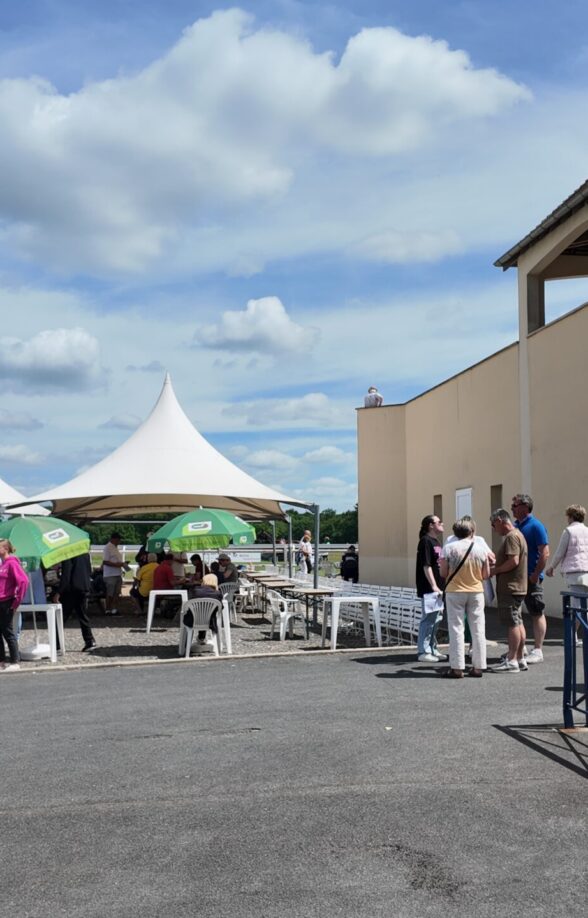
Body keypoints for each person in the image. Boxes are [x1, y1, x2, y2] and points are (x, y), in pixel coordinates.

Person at [440, 519, 490, 678]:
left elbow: (443, 573)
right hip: (476, 591)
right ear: (472, 531)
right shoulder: (481, 549)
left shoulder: (448, 548)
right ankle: (479, 667)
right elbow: (486, 574)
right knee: (478, 628)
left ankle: (457, 667)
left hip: (455, 591)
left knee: (456, 629)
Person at [511, 494, 549, 664]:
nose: (512, 508)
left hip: (531, 578)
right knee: (516, 612)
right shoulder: (516, 526)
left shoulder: (536, 526)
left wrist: (536, 574)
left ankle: (538, 649)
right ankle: (521, 647)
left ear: (525, 507)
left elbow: (544, 552)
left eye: (515, 505)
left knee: (536, 611)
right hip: (517, 578)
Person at [490, 509, 528, 673]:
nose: (493, 528)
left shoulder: (512, 537)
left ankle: (512, 660)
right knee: (518, 622)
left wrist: (495, 570)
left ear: (499, 520)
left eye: (493, 524)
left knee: (512, 623)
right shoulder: (517, 534)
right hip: (517, 587)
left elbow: (513, 561)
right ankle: (519, 658)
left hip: (511, 587)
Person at [546, 504, 588, 645]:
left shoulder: (568, 531)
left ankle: (571, 637)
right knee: (584, 607)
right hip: (587, 571)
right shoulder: (587, 531)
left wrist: (552, 567)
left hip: (575, 573)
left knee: (577, 608)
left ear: (570, 516)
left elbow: (560, 552)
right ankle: (574, 636)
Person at [415, 514, 447, 663]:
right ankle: (424, 651)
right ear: (430, 525)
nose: (442, 524)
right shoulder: (426, 542)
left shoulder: (436, 542)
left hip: (439, 588)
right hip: (430, 588)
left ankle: (433, 648)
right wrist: (434, 586)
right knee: (428, 619)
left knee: (437, 619)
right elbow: (426, 566)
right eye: (438, 522)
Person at [56, 553, 96, 652]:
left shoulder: (68, 554)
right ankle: (89, 640)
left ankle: (56, 643)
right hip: (83, 587)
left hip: (71, 589)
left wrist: (59, 592)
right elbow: (89, 570)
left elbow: (66, 575)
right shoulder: (85, 553)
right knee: (82, 615)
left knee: (61, 617)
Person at [0, 539, 29, 672]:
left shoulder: (12, 563)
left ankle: (14, 660)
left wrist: (17, 601)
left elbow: (23, 581)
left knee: (8, 631)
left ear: (5, 548)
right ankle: (1, 660)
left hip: (6, 601)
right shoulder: (3, 564)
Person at [186, 572, 223, 651]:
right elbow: (220, 608)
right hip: (210, 622)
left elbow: (189, 603)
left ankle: (186, 644)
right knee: (207, 614)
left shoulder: (195, 590)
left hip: (191, 620)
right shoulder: (217, 594)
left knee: (198, 613)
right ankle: (203, 639)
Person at [102, 532, 129, 616]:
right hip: (110, 575)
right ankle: (108, 609)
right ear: (113, 539)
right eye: (118, 540)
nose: (119, 542)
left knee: (116, 593)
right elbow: (105, 561)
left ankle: (114, 609)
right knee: (110, 593)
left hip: (117, 573)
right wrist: (118, 564)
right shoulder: (107, 548)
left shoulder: (115, 548)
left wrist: (122, 563)